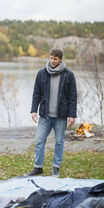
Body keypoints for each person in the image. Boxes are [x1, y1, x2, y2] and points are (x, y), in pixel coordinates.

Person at [27, 48, 77, 177]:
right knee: (39, 140)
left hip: (61, 116)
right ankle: (38, 167)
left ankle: (56, 167)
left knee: (59, 141)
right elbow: (36, 94)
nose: (52, 61)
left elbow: (73, 96)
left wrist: (72, 115)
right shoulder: (41, 74)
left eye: (55, 58)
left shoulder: (69, 75)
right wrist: (33, 110)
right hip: (45, 115)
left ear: (60, 59)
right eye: (50, 58)